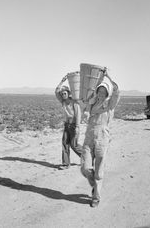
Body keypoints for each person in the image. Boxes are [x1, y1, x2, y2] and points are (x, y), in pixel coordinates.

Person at [80, 70, 120, 207]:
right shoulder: (91, 104)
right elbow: (83, 106)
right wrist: (85, 111)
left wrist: (108, 76)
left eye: (104, 92)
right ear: (97, 92)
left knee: (99, 171)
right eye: (99, 91)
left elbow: (116, 92)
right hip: (89, 137)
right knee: (85, 168)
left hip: (102, 138)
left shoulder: (110, 105)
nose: (101, 94)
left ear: (107, 93)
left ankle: (96, 197)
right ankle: (94, 185)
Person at [55, 75, 82, 169]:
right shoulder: (63, 102)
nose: (63, 95)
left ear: (68, 93)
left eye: (65, 93)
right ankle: (66, 164)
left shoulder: (74, 103)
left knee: (74, 145)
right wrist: (62, 81)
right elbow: (56, 91)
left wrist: (77, 127)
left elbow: (78, 115)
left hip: (74, 126)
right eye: (62, 94)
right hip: (67, 125)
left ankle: (87, 157)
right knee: (65, 143)